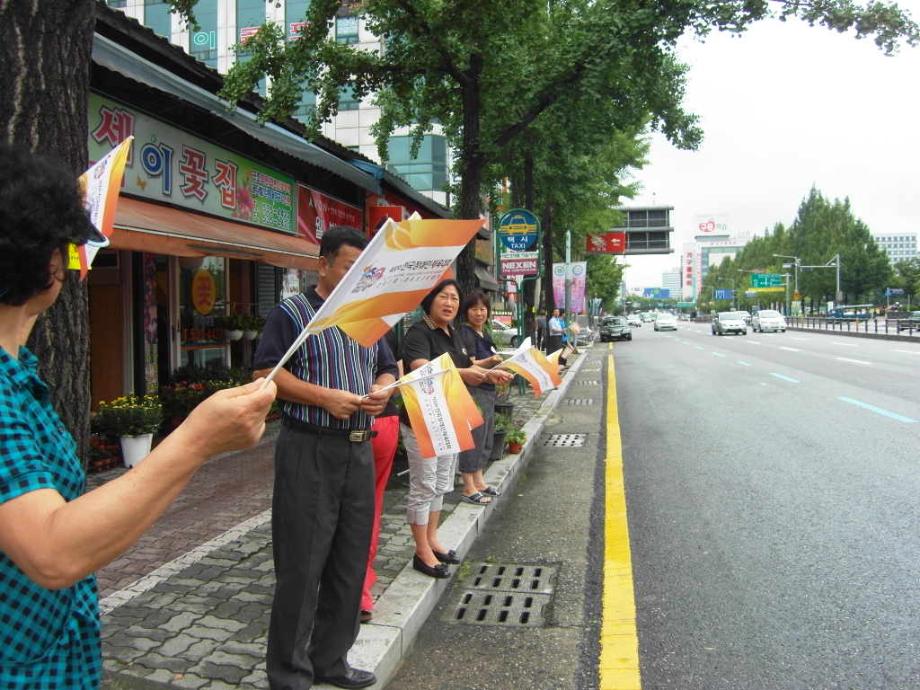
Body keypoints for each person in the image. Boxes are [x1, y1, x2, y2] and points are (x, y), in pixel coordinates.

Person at [0, 144, 276, 689]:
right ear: (48, 260)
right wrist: (196, 440)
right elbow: (52, 551)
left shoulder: (20, 371)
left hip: (54, 653)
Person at [253, 227, 396, 690]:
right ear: (323, 263)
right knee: (302, 563)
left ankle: (331, 660)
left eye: (363, 267)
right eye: (348, 264)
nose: (356, 273)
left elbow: (386, 365)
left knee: (350, 561)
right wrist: (323, 398)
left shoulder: (367, 315)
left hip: (358, 448)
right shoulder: (292, 311)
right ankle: (289, 674)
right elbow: (265, 374)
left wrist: (380, 387)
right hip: (308, 446)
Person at [400, 280, 500, 578]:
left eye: (454, 298)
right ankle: (421, 551)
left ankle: (432, 539)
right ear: (429, 300)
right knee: (424, 484)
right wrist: (468, 372)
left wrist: (489, 372)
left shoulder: (454, 333)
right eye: (443, 296)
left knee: (442, 480)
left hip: (449, 415)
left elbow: (468, 365)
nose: (450, 302)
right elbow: (421, 368)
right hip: (423, 418)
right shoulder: (418, 333)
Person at [359, 328, 401, 625]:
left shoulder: (375, 324)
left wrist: (384, 387)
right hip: (376, 421)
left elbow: (391, 372)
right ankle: (359, 587)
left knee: (365, 509)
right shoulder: (376, 321)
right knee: (367, 508)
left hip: (379, 421)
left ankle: (357, 588)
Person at [458, 291, 513, 505]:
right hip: (474, 390)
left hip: (488, 389)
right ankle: (468, 486)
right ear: (466, 312)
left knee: (486, 436)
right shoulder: (465, 332)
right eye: (474, 309)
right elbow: (470, 364)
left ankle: (479, 481)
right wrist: (491, 361)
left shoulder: (485, 333)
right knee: (473, 437)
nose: (479, 313)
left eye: (483, 309)